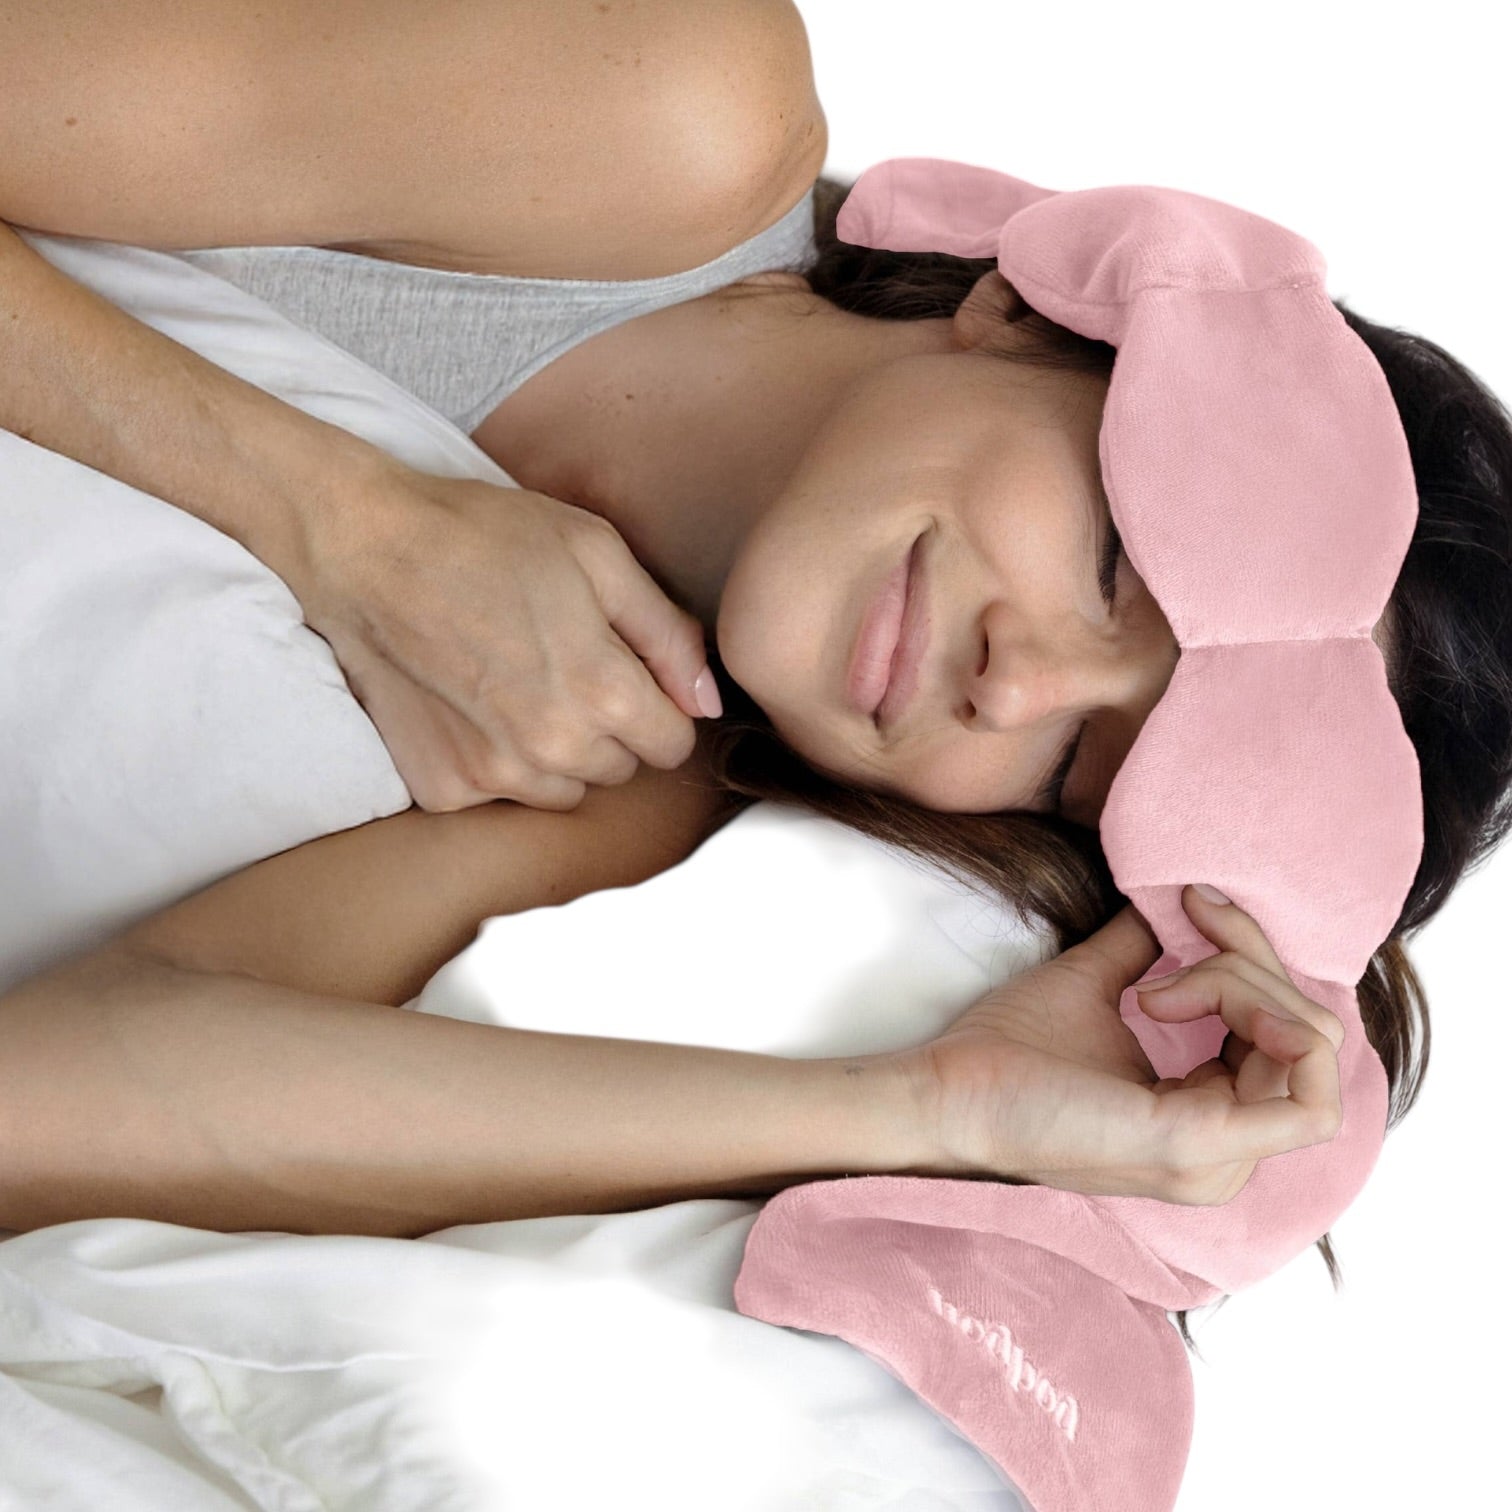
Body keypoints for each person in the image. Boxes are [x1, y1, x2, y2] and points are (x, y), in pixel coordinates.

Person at [2, 8, 1509, 1358]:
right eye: (1116, 566)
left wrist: (934, 1109)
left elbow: (40, 1105)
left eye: (1082, 763)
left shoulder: (631, 790)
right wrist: (344, 525)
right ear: (1024, 317)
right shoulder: (666, 110)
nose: (1019, 685)